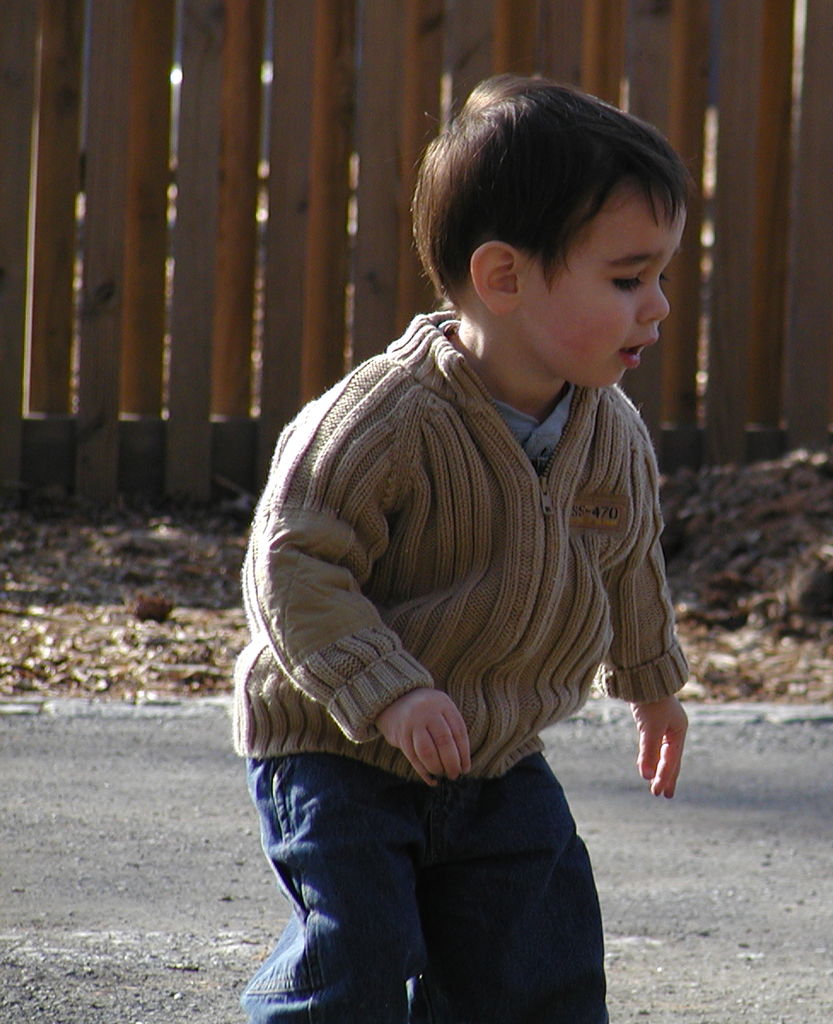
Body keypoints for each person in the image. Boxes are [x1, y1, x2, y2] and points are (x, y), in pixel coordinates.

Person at [232, 74, 691, 1023]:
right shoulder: (386, 419)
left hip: (494, 749)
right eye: (625, 278)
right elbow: (292, 563)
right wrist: (389, 690)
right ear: (503, 277)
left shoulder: (610, 434)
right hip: (340, 743)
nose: (658, 306)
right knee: (356, 959)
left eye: (659, 275)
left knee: (539, 962)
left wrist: (651, 680)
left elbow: (629, 559)